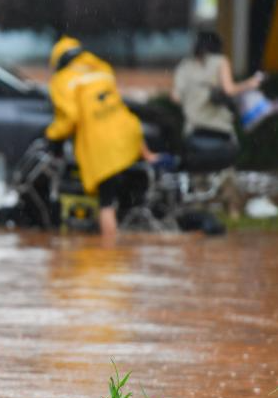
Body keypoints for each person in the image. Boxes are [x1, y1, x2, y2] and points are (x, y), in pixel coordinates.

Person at [44, 36, 157, 242]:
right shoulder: (102, 69)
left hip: (103, 147)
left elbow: (69, 119)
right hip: (130, 136)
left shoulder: (63, 80)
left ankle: (108, 254)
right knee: (127, 197)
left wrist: (51, 137)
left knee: (106, 203)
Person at [172, 31, 262, 218]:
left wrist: (194, 100)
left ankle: (199, 207)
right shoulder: (220, 61)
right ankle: (233, 210)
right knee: (226, 170)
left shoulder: (185, 66)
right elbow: (229, 89)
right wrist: (251, 83)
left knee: (197, 171)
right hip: (219, 130)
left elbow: (175, 97)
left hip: (193, 131)